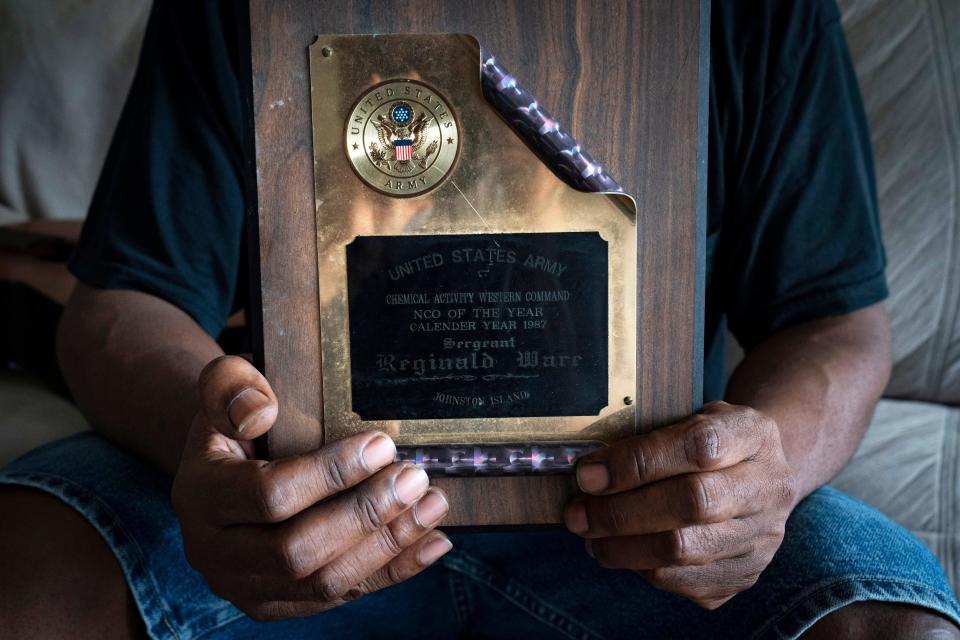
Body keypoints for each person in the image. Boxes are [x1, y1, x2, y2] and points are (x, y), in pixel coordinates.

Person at [2, 1, 958, 638]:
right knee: (33, 555)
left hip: (636, 533)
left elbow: (835, 318)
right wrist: (205, 443)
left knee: (883, 618)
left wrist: (767, 470)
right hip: (298, 515)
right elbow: (123, 299)